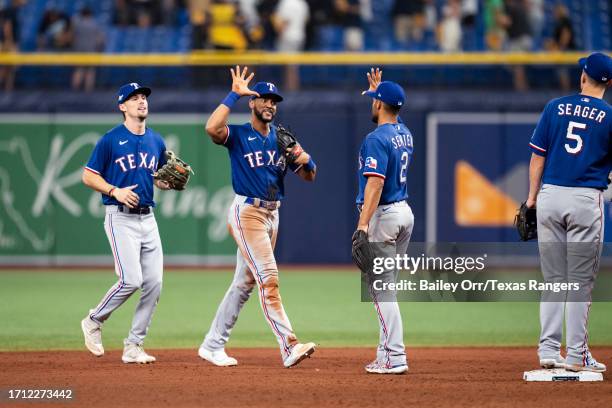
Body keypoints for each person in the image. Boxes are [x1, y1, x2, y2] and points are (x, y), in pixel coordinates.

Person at [199, 65, 317, 368]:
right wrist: (232, 95)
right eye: (263, 98)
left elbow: (308, 176)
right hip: (247, 212)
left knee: (245, 283)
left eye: (274, 100)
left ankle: (212, 345)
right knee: (269, 279)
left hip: (272, 214)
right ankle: (289, 345)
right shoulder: (238, 134)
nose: (269, 104)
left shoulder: (281, 138)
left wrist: (306, 160)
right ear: (252, 102)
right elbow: (211, 128)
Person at [526, 52, 611, 373]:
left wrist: (532, 199)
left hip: (550, 196)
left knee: (554, 279)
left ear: (583, 77)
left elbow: (537, 158)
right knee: (578, 282)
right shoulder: (609, 115)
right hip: (585, 200)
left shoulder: (554, 107)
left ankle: (548, 350)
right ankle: (576, 355)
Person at [80, 83, 173, 364]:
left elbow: (155, 175)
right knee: (131, 280)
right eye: (134, 98)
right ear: (122, 106)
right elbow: (88, 175)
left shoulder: (156, 140)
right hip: (119, 216)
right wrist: (114, 190)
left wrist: (163, 182)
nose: (141, 101)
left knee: (154, 284)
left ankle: (134, 345)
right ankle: (94, 320)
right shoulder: (110, 140)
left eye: (144, 97)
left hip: (148, 217)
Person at [355, 68, 414, 374]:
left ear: (379, 105)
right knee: (387, 287)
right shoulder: (404, 132)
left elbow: (375, 184)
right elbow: (395, 116)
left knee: (380, 289)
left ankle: (395, 355)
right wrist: (381, 93)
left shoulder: (375, 138)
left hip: (384, 215)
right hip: (405, 214)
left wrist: (363, 225)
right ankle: (384, 353)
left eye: (374, 100)